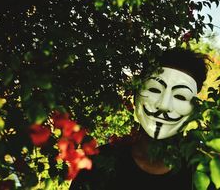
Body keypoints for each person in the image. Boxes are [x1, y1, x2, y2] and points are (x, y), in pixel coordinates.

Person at [70, 48, 208, 190]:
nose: (163, 105)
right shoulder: (97, 166)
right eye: (154, 90)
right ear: (136, 95)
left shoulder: (205, 173)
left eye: (180, 96)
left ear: (195, 108)